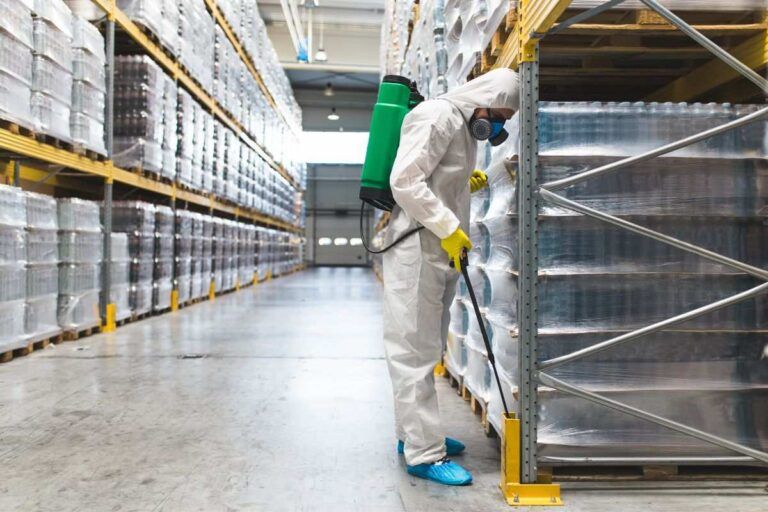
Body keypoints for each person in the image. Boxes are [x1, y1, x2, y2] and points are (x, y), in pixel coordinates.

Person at [382, 68, 519, 486]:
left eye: (503, 121)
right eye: (496, 115)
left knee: (429, 345)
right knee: (413, 353)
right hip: (416, 249)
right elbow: (404, 181)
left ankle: (414, 434)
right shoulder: (438, 116)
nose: (495, 126)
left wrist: (463, 184)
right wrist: (448, 225)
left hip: (439, 250)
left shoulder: (461, 127)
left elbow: (436, 180)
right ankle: (424, 454)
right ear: (483, 97)